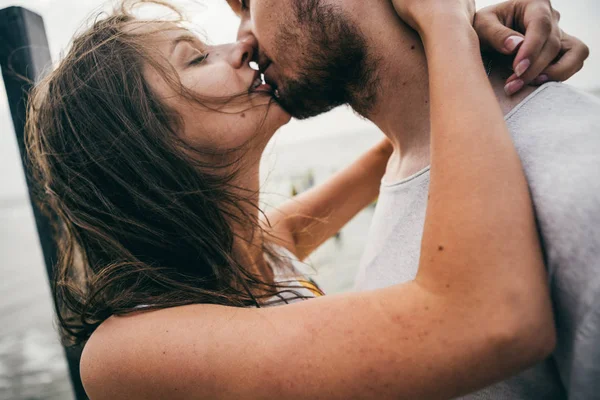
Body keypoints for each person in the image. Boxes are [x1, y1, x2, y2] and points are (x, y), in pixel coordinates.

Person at [23, 0, 581, 398]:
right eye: (195, 59)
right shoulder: (127, 355)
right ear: (143, 145)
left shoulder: (258, 252)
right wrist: (442, 19)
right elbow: (488, 318)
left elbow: (400, 146)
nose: (241, 44)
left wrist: (487, 49)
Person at [227, 0, 600, 398]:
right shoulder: (405, 161)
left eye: (247, 3)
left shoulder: (580, 183)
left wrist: (456, 31)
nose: (243, 38)